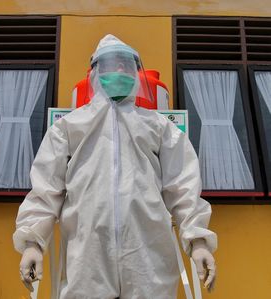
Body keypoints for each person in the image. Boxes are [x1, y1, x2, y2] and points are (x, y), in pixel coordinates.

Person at [14, 34, 217, 299]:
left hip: (148, 259)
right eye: (113, 64)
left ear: (136, 72)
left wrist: (199, 242)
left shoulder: (158, 127)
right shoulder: (69, 128)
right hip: (87, 259)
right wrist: (32, 244)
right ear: (96, 72)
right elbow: (45, 190)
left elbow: (183, 188)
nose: (120, 69)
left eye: (126, 64)